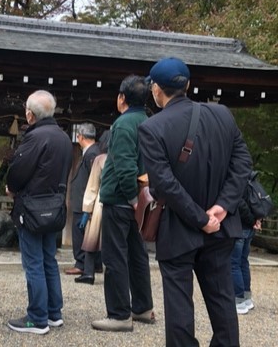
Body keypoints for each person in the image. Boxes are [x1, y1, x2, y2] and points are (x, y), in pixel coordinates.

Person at [138, 57, 252, 346]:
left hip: (179, 228)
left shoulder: (153, 128)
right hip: (221, 227)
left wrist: (201, 219)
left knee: (179, 306)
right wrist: (222, 207)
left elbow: (164, 185)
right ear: (188, 85)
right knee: (222, 300)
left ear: (156, 90)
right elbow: (242, 164)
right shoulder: (222, 115)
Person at [6, 90, 73, 334]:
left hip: (32, 208)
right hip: (54, 207)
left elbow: (18, 172)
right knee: (49, 261)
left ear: (30, 115)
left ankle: (37, 318)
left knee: (33, 263)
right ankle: (54, 313)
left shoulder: (35, 138)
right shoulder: (64, 138)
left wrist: (10, 187)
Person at [92, 75, 155, 332]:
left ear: (122, 98)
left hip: (121, 200)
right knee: (137, 255)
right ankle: (142, 307)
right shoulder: (148, 121)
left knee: (114, 256)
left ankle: (119, 314)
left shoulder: (123, 124)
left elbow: (124, 165)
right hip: (140, 198)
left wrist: (131, 198)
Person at [65, 123, 101, 276]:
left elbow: (94, 179)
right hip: (83, 199)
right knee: (88, 234)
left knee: (81, 234)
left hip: (85, 201)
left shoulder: (92, 154)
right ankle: (93, 264)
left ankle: (81, 263)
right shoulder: (92, 152)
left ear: (80, 137)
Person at [75, 130, 110, 285]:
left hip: (99, 204)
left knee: (91, 239)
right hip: (119, 203)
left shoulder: (100, 159)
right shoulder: (126, 158)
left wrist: (86, 210)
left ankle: (89, 273)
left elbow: (92, 188)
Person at [233, 188, 262, 314]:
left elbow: (239, 202)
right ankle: (246, 297)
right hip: (250, 228)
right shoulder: (251, 181)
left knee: (234, 264)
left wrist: (250, 220)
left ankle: (238, 300)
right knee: (243, 262)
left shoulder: (238, 179)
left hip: (240, 226)